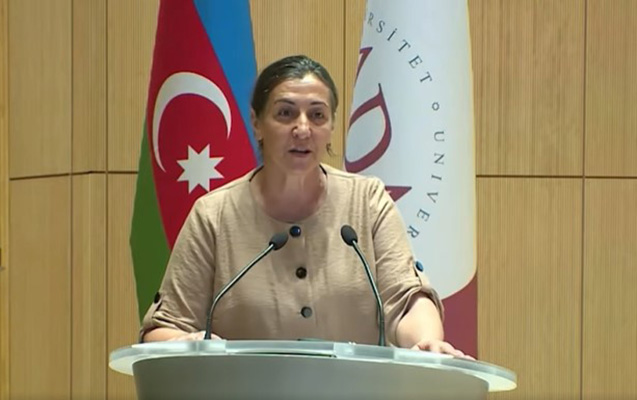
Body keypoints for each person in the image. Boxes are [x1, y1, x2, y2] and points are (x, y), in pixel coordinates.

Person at [141, 55, 468, 358]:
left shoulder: (367, 202)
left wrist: (426, 340)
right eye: (285, 113)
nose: (302, 129)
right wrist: (188, 342)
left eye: (317, 115)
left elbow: (407, 301)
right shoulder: (214, 215)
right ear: (256, 123)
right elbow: (164, 327)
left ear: (331, 126)